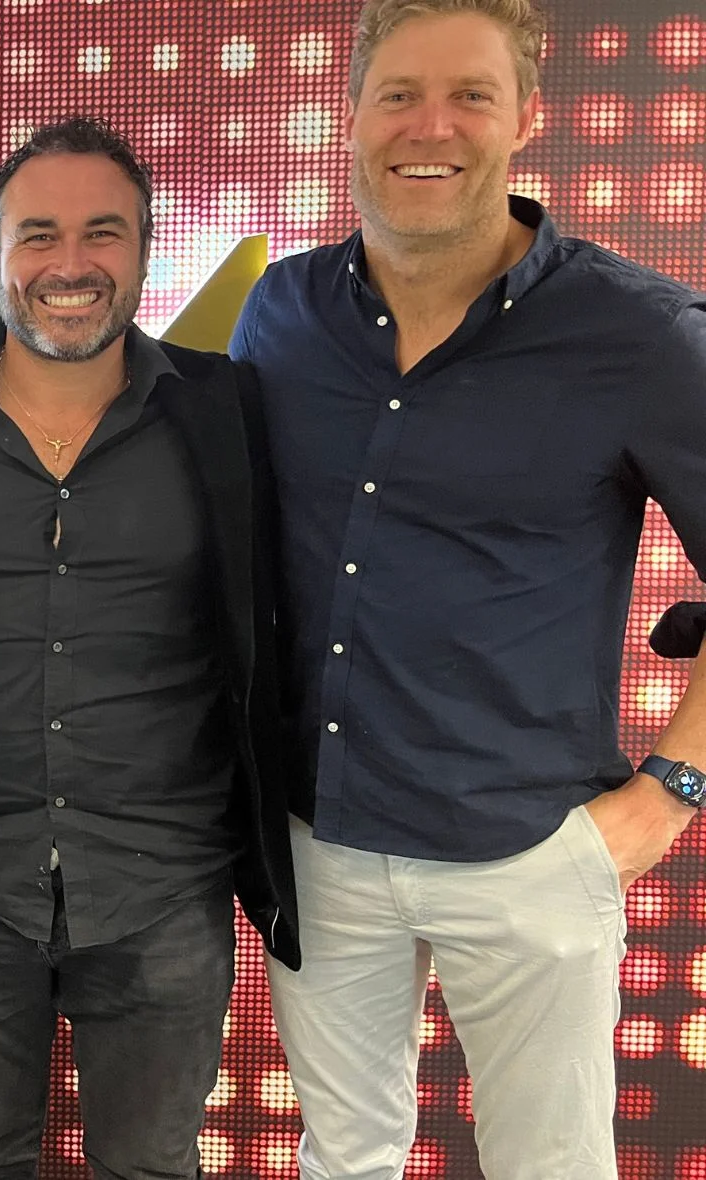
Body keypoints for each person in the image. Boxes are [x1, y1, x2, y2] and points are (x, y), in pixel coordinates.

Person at [229, 0, 706, 1175]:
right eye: (398, 93)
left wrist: (671, 791)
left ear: (526, 118)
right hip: (319, 840)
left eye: (470, 96)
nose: (427, 125)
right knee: (344, 1160)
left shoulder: (640, 335)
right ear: (350, 116)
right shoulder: (280, 313)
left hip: (531, 852)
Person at [0, 118, 298, 1179]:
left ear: (144, 250)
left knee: (151, 1163)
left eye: (104, 233)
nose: (71, 264)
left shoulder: (227, 406)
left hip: (166, 883)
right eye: (38, 234)